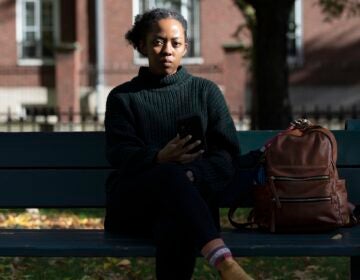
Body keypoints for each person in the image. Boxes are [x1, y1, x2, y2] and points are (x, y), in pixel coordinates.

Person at [104, 8, 253, 280]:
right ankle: (224, 262)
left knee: (176, 220)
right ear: (141, 45)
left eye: (175, 42)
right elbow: (119, 153)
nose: (167, 50)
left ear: (185, 46)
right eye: (158, 41)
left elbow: (227, 155)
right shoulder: (123, 97)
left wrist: (192, 175)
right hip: (134, 206)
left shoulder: (206, 93)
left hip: (188, 204)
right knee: (170, 177)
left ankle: (223, 261)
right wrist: (159, 158)